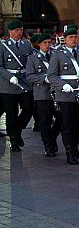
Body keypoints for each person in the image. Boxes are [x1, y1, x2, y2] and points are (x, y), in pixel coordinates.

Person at [47, 25, 79, 164]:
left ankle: (74, 142)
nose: (73, 40)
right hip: (65, 95)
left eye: (75, 37)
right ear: (64, 40)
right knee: (68, 124)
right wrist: (62, 85)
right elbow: (51, 76)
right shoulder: (58, 55)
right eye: (70, 37)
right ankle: (70, 152)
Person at [0, 19, 34, 151]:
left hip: (24, 82)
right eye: (16, 30)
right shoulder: (3, 46)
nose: (19, 32)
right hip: (8, 85)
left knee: (28, 109)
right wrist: (10, 77)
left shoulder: (26, 44)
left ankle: (17, 130)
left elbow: (31, 62)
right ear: (10, 32)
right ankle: (13, 140)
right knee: (11, 113)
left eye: (21, 30)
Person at [25, 33, 61, 157]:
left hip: (57, 93)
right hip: (42, 94)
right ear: (39, 44)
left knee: (61, 117)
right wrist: (44, 78)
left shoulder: (56, 55)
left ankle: (52, 138)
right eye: (44, 43)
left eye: (49, 42)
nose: (47, 45)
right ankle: (48, 145)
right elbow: (29, 76)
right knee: (45, 121)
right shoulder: (32, 58)